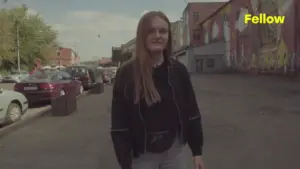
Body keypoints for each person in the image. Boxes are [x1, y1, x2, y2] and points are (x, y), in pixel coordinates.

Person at [110, 11, 204, 169]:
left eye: (162, 31)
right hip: (142, 155)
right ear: (142, 36)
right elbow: (119, 124)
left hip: (174, 151)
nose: (157, 35)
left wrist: (197, 151)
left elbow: (192, 111)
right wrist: (125, 162)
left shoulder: (178, 70)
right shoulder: (127, 73)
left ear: (168, 36)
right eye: (151, 31)